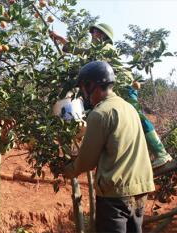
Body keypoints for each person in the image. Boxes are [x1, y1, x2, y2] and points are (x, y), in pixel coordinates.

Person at [51, 23, 172, 168]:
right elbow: (83, 52)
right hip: (111, 86)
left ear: (103, 35)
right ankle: (80, 148)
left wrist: (64, 42)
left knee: (137, 116)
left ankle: (161, 153)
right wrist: (61, 40)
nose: (92, 35)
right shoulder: (97, 51)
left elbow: (83, 52)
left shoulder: (105, 48)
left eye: (94, 32)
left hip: (125, 85)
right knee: (89, 110)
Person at [62, 61, 155, 233]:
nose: (83, 94)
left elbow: (87, 162)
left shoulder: (100, 113)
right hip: (140, 189)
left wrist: (68, 169)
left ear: (92, 85)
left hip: (115, 194)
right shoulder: (129, 108)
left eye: (83, 87)